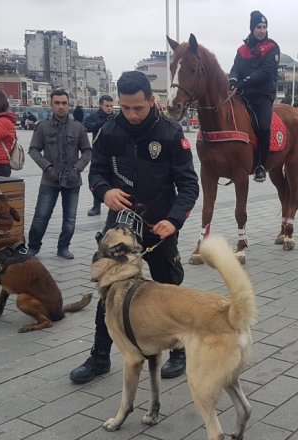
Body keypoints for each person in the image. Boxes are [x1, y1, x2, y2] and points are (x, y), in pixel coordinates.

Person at [71, 71, 199, 384]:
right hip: (122, 226)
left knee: (169, 288)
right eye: (125, 107)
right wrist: (105, 192)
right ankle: (100, 356)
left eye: (138, 108)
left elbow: (188, 185)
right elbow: (96, 174)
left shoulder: (170, 134)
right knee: (110, 292)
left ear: (152, 101)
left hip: (159, 225)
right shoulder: (109, 131)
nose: (131, 114)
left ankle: (179, 351)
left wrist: (174, 220)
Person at [26, 90, 91, 259]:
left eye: (64, 103)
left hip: (72, 180)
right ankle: (33, 246)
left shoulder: (78, 127)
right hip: (50, 179)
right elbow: (33, 150)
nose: (61, 107)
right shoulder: (43, 127)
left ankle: (63, 247)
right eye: (57, 103)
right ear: (51, 104)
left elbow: (87, 151)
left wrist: (77, 168)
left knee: (70, 218)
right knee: (41, 215)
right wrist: (47, 167)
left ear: (69, 105)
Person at [229, 10, 279, 183]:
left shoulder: (272, 48)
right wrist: (233, 79)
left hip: (262, 96)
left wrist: (244, 81)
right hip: (243, 95)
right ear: (252, 29)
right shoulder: (242, 50)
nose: (262, 31)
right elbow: (235, 68)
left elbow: (266, 71)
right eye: (259, 27)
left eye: (264, 27)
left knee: (264, 127)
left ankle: (261, 166)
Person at [83, 94, 116, 216]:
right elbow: (87, 126)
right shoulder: (94, 117)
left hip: (114, 152)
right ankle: (96, 206)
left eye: (111, 106)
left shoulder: (115, 117)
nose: (109, 108)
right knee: (97, 179)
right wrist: (104, 122)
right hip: (99, 152)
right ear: (101, 105)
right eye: (107, 106)